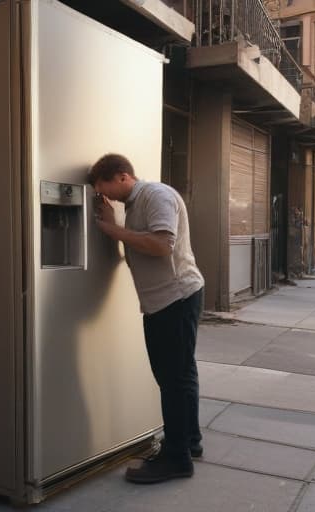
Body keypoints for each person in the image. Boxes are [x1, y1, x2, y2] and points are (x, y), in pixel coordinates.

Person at [88, 153, 205, 484]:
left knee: (172, 380)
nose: (104, 194)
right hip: (164, 302)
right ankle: (188, 443)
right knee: (182, 376)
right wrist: (116, 223)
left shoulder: (156, 195)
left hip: (175, 299)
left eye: (104, 186)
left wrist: (111, 230)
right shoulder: (134, 205)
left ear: (123, 176)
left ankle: (177, 459)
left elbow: (161, 245)